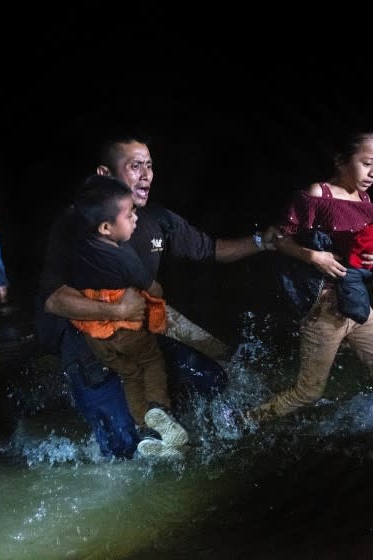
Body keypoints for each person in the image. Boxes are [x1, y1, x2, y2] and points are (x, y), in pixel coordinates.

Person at [36, 134, 279, 460]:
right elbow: (53, 299)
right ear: (105, 174)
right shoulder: (74, 224)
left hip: (137, 330)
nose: (146, 174)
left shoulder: (156, 219)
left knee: (212, 381)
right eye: (135, 166)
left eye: (149, 166)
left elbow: (211, 249)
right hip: (86, 341)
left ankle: (164, 426)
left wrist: (264, 241)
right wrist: (117, 309)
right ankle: (133, 426)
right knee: (121, 450)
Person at [248, 130, 373, 423]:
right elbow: (278, 239)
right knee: (308, 392)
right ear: (341, 160)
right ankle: (244, 419)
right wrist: (314, 256)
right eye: (366, 162)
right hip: (322, 308)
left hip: (355, 304)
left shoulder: (364, 199)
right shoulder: (317, 195)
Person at [70, 174, 189, 458]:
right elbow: (154, 288)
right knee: (151, 362)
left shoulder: (78, 253)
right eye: (130, 215)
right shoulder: (122, 255)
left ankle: (147, 434)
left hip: (95, 339)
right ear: (107, 227)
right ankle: (159, 410)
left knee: (130, 376)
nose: (136, 218)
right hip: (128, 330)